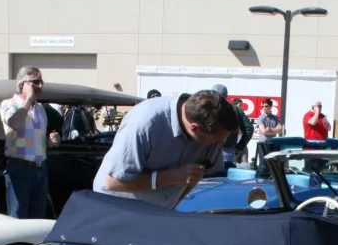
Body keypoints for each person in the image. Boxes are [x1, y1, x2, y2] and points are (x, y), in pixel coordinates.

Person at [94, 89, 237, 209]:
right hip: (116, 208)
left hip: (158, 212)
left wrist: (171, 207)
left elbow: (195, 176)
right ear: (195, 128)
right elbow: (113, 182)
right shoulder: (145, 123)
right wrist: (172, 177)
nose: (221, 143)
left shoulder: (213, 130)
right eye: (218, 140)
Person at [0, 67, 61, 219]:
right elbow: (14, 123)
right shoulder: (10, 104)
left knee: (38, 216)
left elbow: (38, 141)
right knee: (18, 216)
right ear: (23, 85)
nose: (40, 86)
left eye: (41, 82)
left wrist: (50, 141)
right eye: (35, 82)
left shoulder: (40, 109)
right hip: (20, 168)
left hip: (40, 168)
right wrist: (28, 99)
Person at [211, 84, 253, 171]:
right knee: (227, 177)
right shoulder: (235, 109)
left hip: (210, 151)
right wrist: (240, 147)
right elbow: (249, 129)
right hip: (228, 151)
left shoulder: (208, 109)